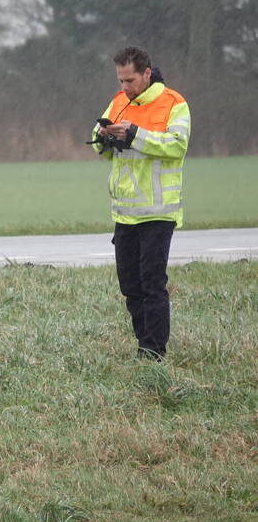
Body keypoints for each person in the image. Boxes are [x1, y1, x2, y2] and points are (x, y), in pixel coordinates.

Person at [90, 47, 190, 360]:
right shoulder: (119, 102)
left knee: (152, 284)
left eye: (130, 80)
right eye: (120, 80)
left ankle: (154, 351)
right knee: (130, 286)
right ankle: (142, 345)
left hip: (159, 213)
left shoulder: (174, 103)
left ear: (147, 74)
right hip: (125, 213)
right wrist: (104, 138)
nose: (124, 87)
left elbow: (176, 146)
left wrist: (134, 135)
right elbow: (99, 147)